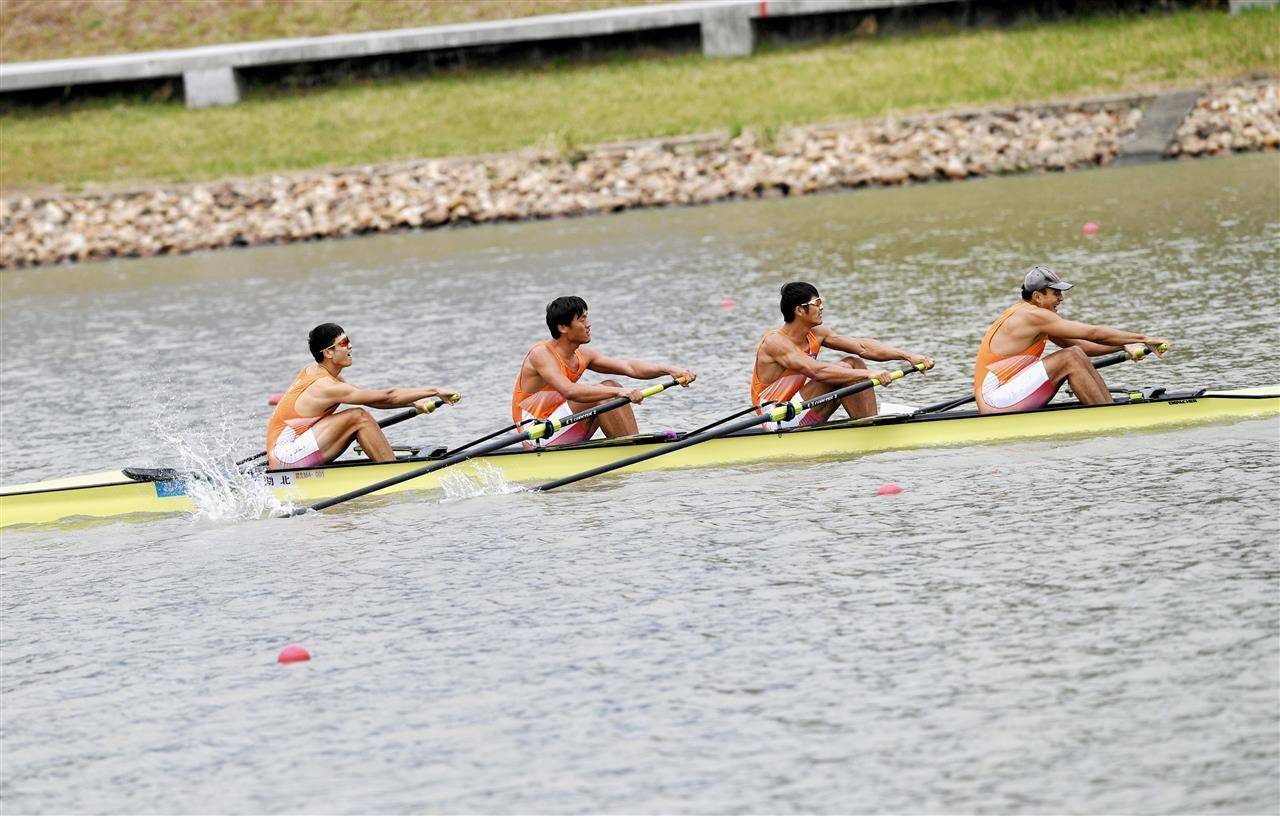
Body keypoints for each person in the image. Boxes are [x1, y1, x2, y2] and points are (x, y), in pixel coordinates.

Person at [973, 266, 1168, 414]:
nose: (1061, 298)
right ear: (1037, 296)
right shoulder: (1031, 315)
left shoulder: (1036, 318)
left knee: (1074, 353)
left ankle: (1108, 408)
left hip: (1007, 393)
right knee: (1070, 358)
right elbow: (1093, 333)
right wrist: (1143, 338)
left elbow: (1082, 346)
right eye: (1055, 293)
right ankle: (1108, 415)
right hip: (995, 400)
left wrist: (1123, 344)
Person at [266, 323, 459, 469]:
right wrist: (435, 390)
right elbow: (387, 396)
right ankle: (395, 474)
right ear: (329, 353)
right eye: (344, 343)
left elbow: (373, 399)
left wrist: (414, 401)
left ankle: (385, 464)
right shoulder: (325, 386)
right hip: (285, 458)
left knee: (359, 414)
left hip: (288, 449)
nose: (350, 347)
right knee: (359, 417)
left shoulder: (314, 370)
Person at [511, 296, 696, 447]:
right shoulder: (541, 354)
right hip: (535, 432)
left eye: (587, 318)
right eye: (582, 319)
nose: (588, 324)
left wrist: (670, 369)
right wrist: (618, 392)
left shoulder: (582, 355)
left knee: (610, 386)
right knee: (607, 391)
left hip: (560, 426)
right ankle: (635, 451)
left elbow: (629, 367)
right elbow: (570, 391)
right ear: (563, 327)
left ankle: (633, 445)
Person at [752, 281, 934, 429]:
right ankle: (871, 430)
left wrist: (908, 356)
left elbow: (863, 347)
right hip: (777, 418)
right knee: (843, 370)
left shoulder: (817, 333)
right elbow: (818, 371)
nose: (821, 307)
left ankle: (870, 423)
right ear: (800, 310)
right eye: (817, 303)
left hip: (801, 410)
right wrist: (869, 374)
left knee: (853, 362)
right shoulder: (774, 342)